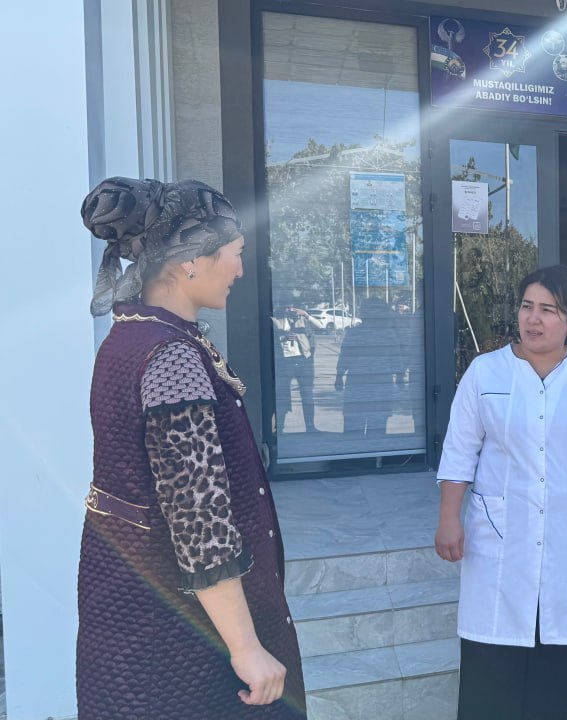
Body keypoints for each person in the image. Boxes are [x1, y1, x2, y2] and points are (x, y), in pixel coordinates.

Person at [77, 177, 305, 718]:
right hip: (180, 645)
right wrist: (246, 649)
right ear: (190, 262)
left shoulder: (127, 337)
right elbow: (198, 519)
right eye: (235, 253)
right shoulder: (171, 357)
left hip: (133, 621)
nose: (240, 269)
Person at [434, 264, 567, 719]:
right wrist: (449, 518)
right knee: (490, 673)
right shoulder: (485, 373)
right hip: (501, 540)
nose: (533, 319)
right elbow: (459, 450)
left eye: (548, 310)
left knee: (556, 676)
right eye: (527, 306)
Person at [335, 297, 406, 436]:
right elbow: (396, 360)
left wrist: (339, 377)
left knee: (354, 430)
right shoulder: (389, 334)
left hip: (357, 384)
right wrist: (400, 378)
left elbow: (344, 357)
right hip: (380, 384)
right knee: (377, 430)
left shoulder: (353, 333)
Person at [272, 304, 323, 433]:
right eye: (287, 307)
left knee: (307, 394)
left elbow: (320, 326)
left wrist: (306, 314)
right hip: (285, 362)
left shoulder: (303, 320)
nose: (290, 310)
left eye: (293, 308)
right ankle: (280, 428)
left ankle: (310, 427)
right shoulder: (277, 320)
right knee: (283, 395)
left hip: (303, 360)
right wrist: (284, 336)